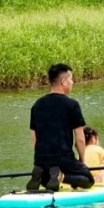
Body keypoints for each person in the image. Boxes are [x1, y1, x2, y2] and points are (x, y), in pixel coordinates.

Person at [26, 63, 95, 192]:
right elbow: (80, 138)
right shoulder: (72, 105)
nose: (72, 82)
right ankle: (61, 176)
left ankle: (41, 175)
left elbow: (34, 138)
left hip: (41, 159)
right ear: (63, 81)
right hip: (64, 157)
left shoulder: (37, 105)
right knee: (88, 180)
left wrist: (40, 158)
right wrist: (82, 161)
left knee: (48, 180)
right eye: (71, 79)